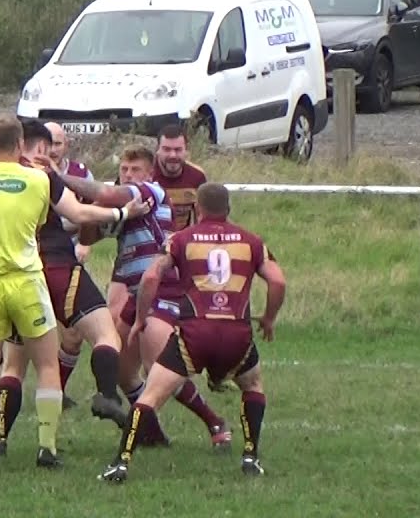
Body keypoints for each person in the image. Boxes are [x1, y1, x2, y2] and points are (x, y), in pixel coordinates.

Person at [0, 114, 148, 469]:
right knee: (52, 361)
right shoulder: (38, 178)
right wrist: (122, 212)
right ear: (23, 145)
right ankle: (51, 444)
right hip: (33, 277)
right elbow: (78, 213)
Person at [100, 183, 287, 483]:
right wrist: (268, 318)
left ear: (198, 209)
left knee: (151, 396)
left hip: (195, 334)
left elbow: (150, 276)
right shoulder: (252, 241)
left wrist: (141, 317)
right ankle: (250, 456)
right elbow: (278, 282)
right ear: (228, 209)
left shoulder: (181, 239)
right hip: (237, 334)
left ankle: (121, 462)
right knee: (252, 386)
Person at [68, 147, 229, 449]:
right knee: (123, 371)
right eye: (124, 169)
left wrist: (54, 176)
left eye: (135, 170)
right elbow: (89, 237)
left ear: (149, 174)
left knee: (163, 369)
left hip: (162, 290)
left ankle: (214, 421)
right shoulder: (129, 209)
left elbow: (106, 191)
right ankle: (152, 433)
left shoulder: (151, 192)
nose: (127, 175)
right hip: (135, 295)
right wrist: (93, 209)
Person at [43, 121, 93, 405]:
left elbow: (91, 209)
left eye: (57, 143)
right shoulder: (29, 172)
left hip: (68, 261)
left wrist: (85, 243)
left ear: (67, 145)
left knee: (72, 333)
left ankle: (56, 392)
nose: (52, 149)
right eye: (47, 142)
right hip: (35, 261)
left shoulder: (81, 174)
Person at [153, 124, 208, 231]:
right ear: (157, 150)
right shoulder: (146, 175)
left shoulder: (197, 175)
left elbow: (205, 217)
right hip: (151, 241)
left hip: (182, 240)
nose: (172, 155)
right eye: (166, 149)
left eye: (178, 150)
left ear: (186, 151)